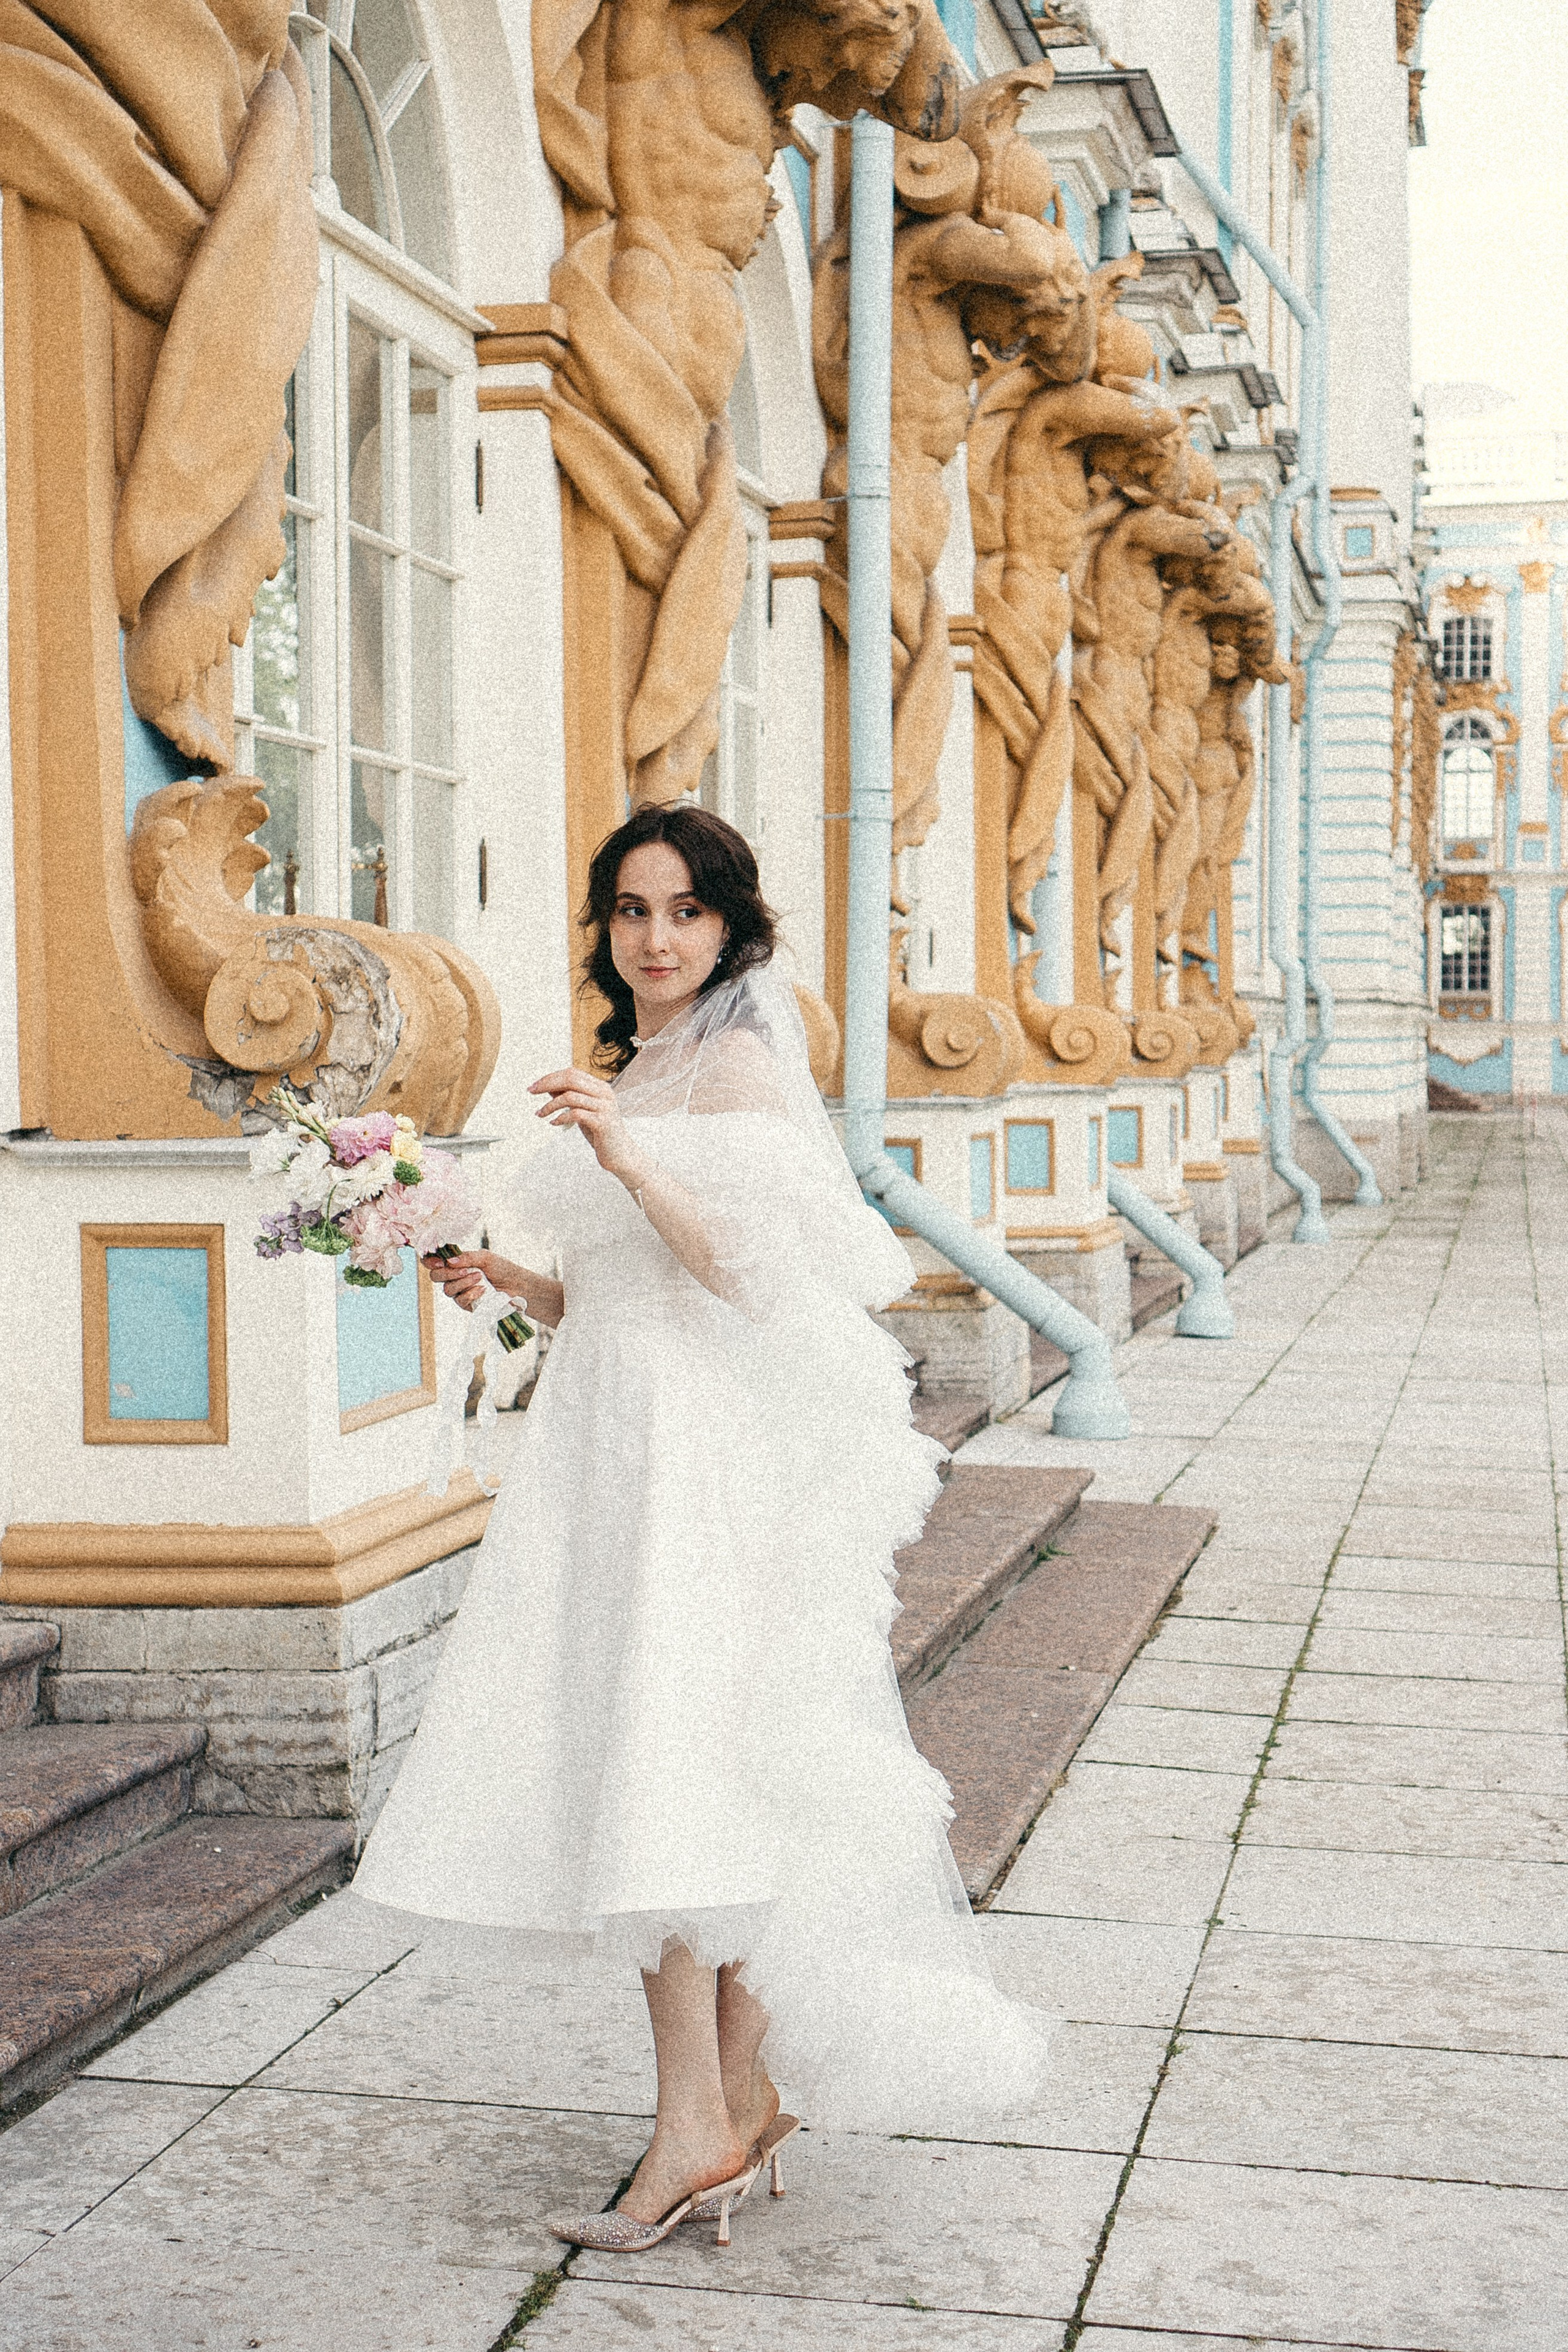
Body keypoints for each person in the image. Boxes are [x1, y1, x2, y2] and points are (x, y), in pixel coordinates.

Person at [352, 803, 1049, 2252]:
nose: (654, 940)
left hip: (694, 1465)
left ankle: (690, 2132)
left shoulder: (732, 1069)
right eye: (628, 912)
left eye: (681, 912)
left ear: (727, 926)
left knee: (664, 1765)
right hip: (612, 1443)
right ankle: (729, 2097)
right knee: (669, 1758)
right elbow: (615, 1295)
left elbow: (744, 1274)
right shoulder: (641, 1062)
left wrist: (624, 1158)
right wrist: (500, 1275)